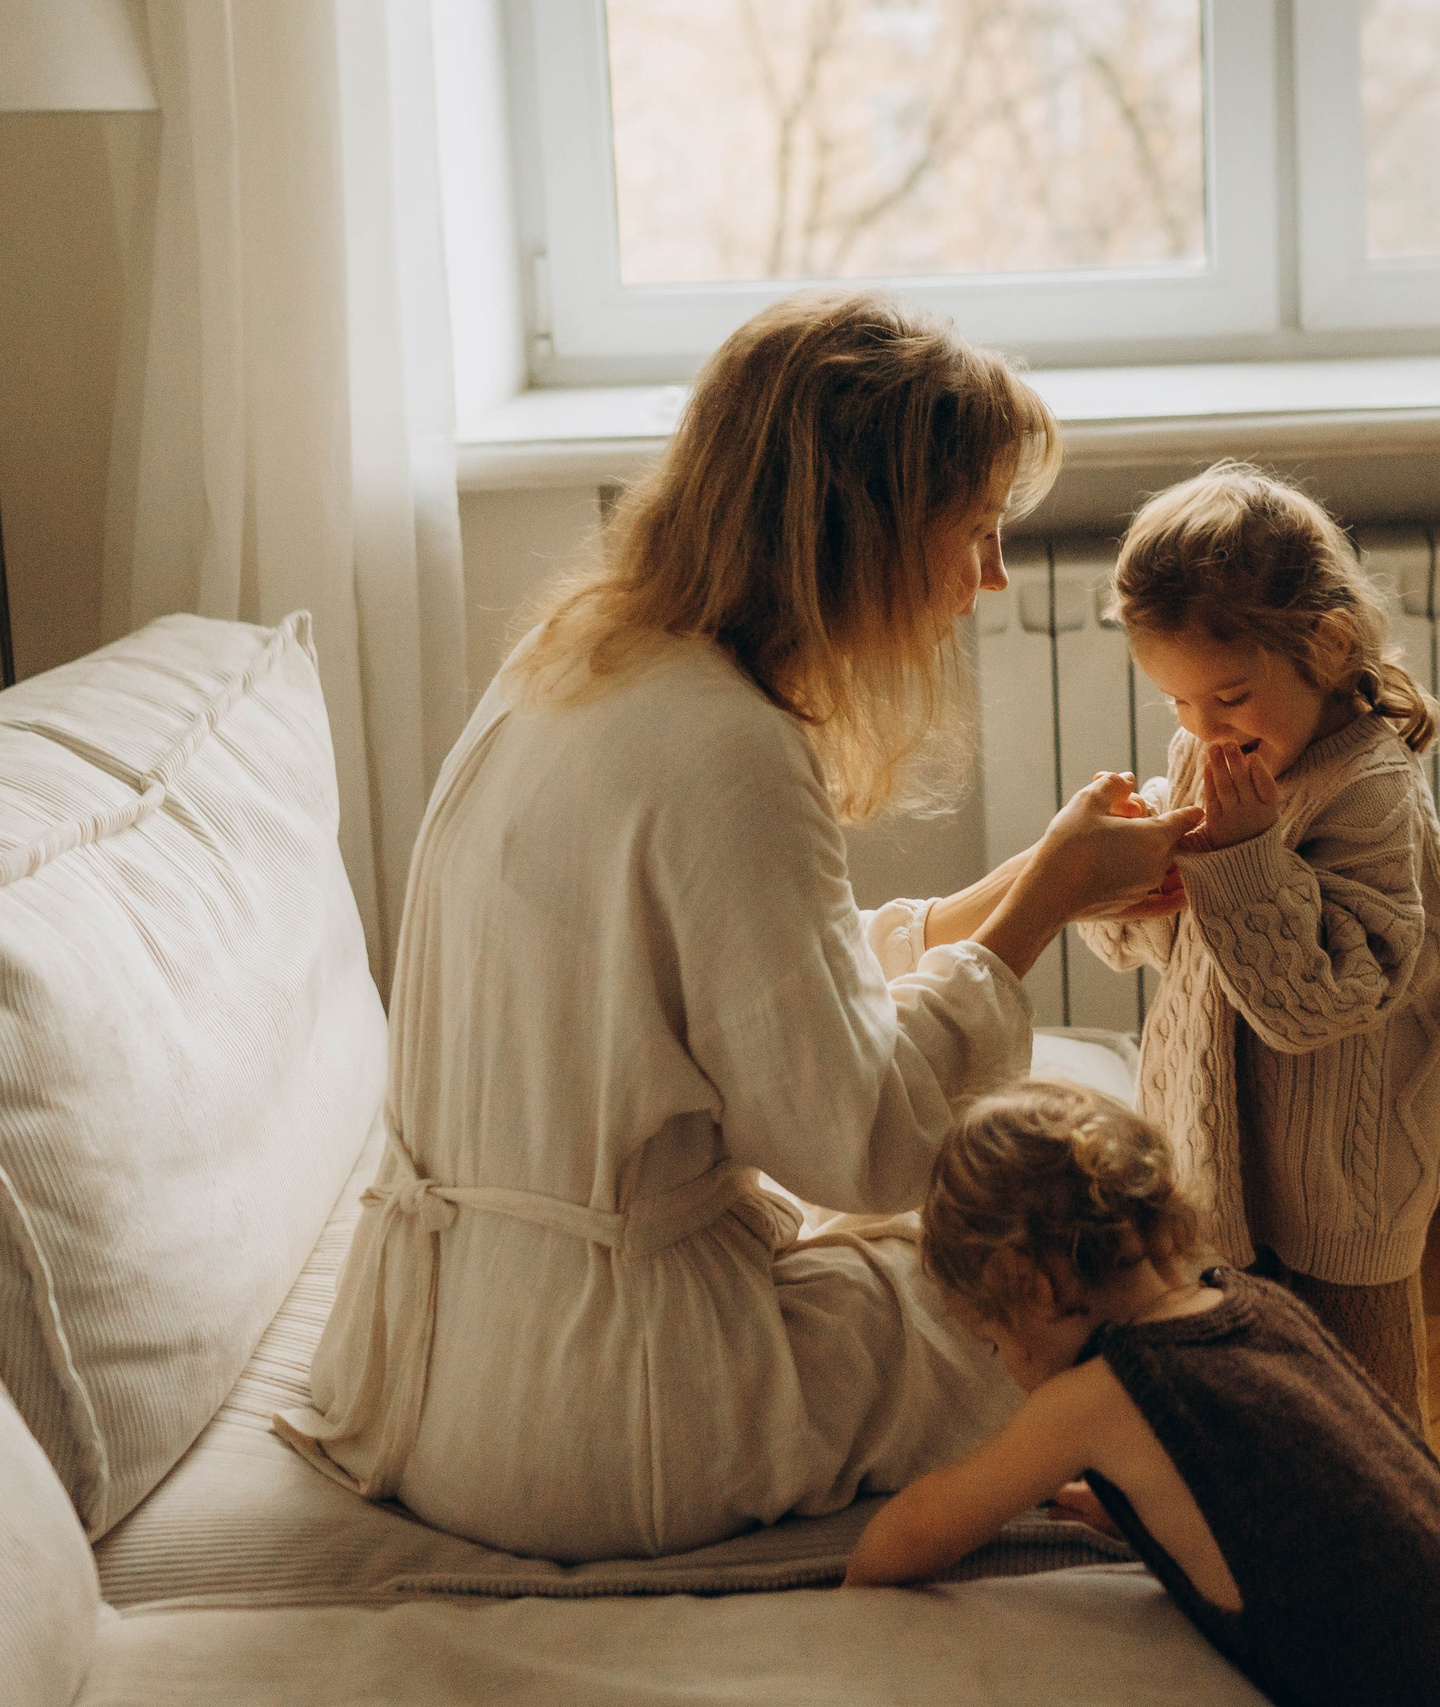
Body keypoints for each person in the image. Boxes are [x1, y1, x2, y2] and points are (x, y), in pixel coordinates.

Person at [275, 291, 1201, 1562]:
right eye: (976, 533)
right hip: (595, 1414)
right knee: (1077, 1279)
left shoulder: (579, 662)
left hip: (437, 1366)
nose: (991, 581)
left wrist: (1046, 873)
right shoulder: (730, 750)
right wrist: (1041, 904)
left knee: (1004, 1220)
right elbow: (862, 1141)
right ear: (857, 531)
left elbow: (768, 988)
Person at [844, 1081, 1440, 1707]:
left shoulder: (1100, 1394)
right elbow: (1310, 1486)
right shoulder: (1255, 1304)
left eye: (992, 1341)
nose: (1003, 1363)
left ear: (1028, 1284)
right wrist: (1144, 1507)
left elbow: (924, 1526)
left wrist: (854, 1585)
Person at [1076, 461, 1440, 1423]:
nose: (1204, 732)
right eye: (1177, 705)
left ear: (1328, 647)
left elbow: (1312, 1007)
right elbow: (1182, 954)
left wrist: (1241, 857)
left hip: (1339, 1187)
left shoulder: (1366, 788)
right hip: (1215, 1150)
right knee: (1236, 1395)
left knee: (1364, 1423)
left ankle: (1386, 1573)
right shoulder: (1218, 754)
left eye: (1230, 698)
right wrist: (1124, 877)